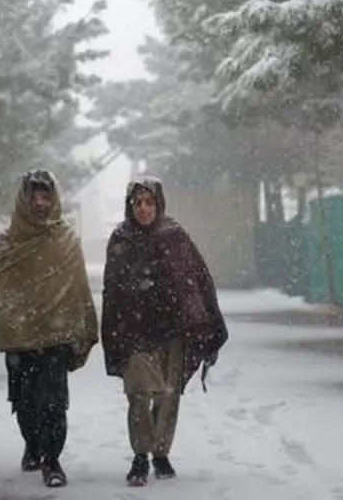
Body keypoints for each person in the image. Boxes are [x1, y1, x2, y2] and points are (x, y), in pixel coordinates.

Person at [101, 175, 228, 487]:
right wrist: (113, 329)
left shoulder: (175, 236)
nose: (143, 209)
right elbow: (112, 289)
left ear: (159, 204)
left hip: (173, 329)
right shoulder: (121, 238)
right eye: (137, 203)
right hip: (134, 330)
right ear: (130, 206)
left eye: (149, 202)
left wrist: (207, 320)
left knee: (168, 396)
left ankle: (160, 452)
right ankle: (140, 454)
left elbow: (198, 279)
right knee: (139, 392)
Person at [0, 170, 99, 488]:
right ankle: (33, 444)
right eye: (34, 196)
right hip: (21, 337)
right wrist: (13, 323)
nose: (40, 203)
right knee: (25, 402)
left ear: (54, 199)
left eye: (45, 196)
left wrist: (79, 322)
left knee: (54, 402)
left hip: (55, 336)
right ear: (24, 200)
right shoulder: (10, 241)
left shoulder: (66, 239)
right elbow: (0, 289)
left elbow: (77, 286)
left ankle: (52, 461)